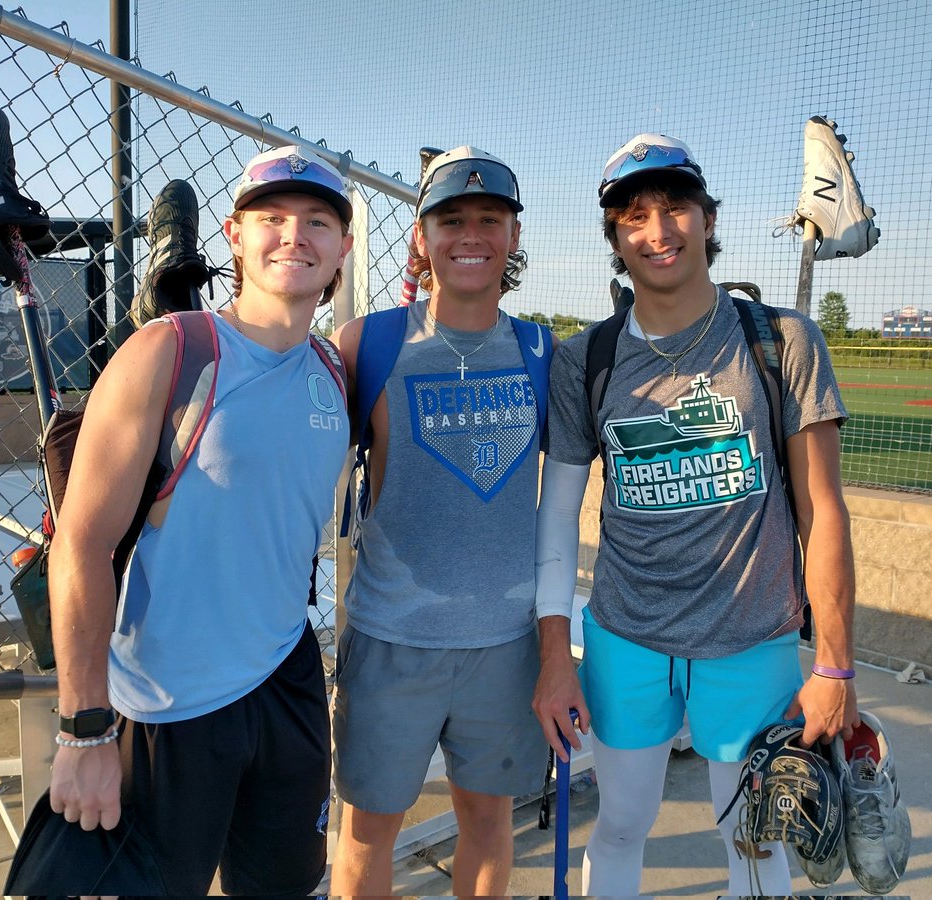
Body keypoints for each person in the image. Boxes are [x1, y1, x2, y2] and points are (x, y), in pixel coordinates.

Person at [531, 133, 861, 896]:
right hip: (626, 635)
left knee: (755, 845)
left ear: (708, 218)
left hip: (750, 637)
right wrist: (555, 652)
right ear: (614, 237)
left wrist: (837, 664)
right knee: (619, 824)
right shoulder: (588, 360)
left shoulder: (780, 340)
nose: (658, 229)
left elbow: (825, 514)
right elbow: (556, 520)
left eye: (676, 206)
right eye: (634, 214)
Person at [47, 144, 353, 895]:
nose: (294, 235)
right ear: (234, 235)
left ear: (343, 248)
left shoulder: (334, 371)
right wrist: (84, 729)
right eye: (271, 218)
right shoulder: (171, 351)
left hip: (287, 678)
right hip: (166, 702)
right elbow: (81, 545)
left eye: (317, 221)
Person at [330, 147, 555, 895]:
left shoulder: (541, 351)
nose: (471, 234)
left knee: (489, 823)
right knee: (366, 837)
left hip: (503, 643)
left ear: (513, 237)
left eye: (489, 219)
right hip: (394, 640)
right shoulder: (371, 344)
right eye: (451, 218)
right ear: (422, 237)